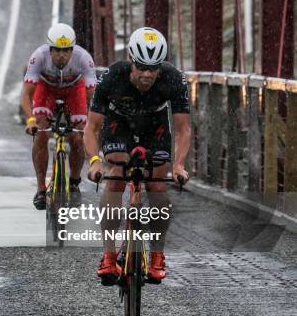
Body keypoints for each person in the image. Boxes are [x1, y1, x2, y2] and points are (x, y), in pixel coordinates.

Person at [84, 26, 191, 284]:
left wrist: (178, 165)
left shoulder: (173, 79)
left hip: (154, 125)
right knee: (116, 177)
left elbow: (182, 129)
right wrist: (95, 161)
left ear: (161, 66)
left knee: (156, 184)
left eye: (153, 69)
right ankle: (109, 254)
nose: (147, 74)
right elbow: (92, 127)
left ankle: (157, 255)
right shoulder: (112, 76)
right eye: (142, 66)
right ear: (131, 60)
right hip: (118, 123)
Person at [21, 23, 98, 210]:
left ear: (72, 50)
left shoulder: (83, 58)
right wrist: (31, 120)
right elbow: (26, 95)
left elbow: (93, 96)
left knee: (78, 136)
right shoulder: (38, 57)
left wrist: (91, 122)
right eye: (57, 50)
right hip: (46, 89)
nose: (62, 55)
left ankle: (73, 182)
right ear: (50, 49)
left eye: (66, 50)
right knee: (40, 133)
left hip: (74, 90)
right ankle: (41, 188)